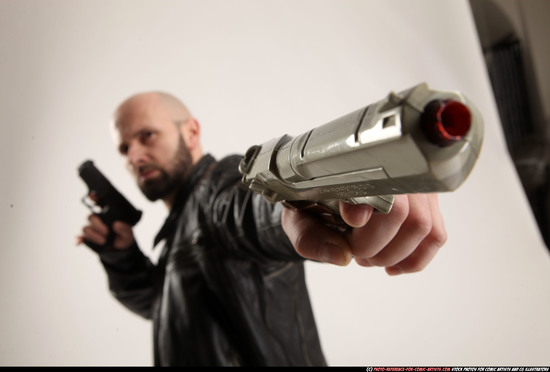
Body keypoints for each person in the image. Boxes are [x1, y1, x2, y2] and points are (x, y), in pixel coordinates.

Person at [77, 91, 447, 366]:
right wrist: (122, 257)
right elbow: (163, 310)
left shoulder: (218, 191)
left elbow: (251, 211)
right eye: (124, 148)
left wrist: (302, 202)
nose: (135, 155)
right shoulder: (176, 231)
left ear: (191, 132)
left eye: (147, 136)